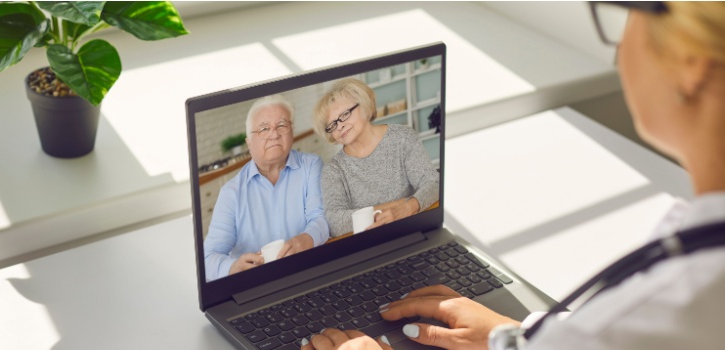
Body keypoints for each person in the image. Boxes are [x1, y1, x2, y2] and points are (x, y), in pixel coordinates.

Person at [302, 2, 725, 349]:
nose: (339, 126)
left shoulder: (665, 304)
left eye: (627, 11)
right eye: (331, 124)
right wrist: (513, 340)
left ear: (689, 62)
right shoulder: (690, 267)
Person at [204, 95, 330, 282]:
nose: (274, 134)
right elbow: (208, 258)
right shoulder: (231, 193)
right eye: (264, 128)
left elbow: (321, 217)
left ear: (291, 132)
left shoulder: (311, 166)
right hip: (258, 285)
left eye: (282, 125)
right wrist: (232, 267)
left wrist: (308, 238)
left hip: (309, 273)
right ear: (249, 143)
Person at [313, 78, 440, 237]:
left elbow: (433, 183)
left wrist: (408, 207)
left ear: (365, 106)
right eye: (332, 125)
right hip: (367, 247)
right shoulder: (333, 170)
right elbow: (334, 223)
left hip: (412, 232)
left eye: (345, 114)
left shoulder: (402, 138)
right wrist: (396, 205)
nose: (340, 126)